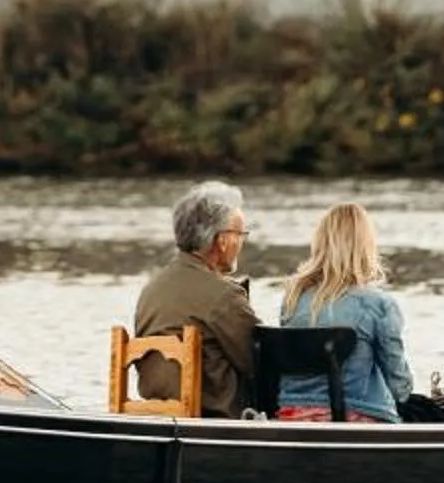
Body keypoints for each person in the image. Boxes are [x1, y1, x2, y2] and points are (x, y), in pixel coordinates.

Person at [274, 202, 414, 423]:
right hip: (357, 418)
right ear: (366, 246)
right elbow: (400, 388)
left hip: (291, 415)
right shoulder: (378, 304)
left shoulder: (293, 299)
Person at [133, 180, 260, 417]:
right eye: (241, 234)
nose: (242, 242)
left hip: (155, 415)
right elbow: (259, 361)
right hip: (215, 420)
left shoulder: (151, 288)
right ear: (223, 241)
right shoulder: (223, 295)